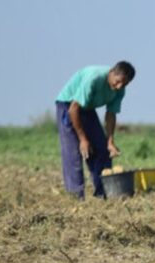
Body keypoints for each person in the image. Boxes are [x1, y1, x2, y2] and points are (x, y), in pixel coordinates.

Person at [54, 61, 135, 199]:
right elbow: (73, 109)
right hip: (68, 105)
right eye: (118, 82)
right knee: (74, 153)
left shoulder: (120, 90)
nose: (119, 86)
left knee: (102, 150)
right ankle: (75, 197)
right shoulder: (94, 78)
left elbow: (111, 114)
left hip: (87, 108)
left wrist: (110, 141)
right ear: (111, 73)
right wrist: (83, 139)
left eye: (124, 84)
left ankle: (103, 193)